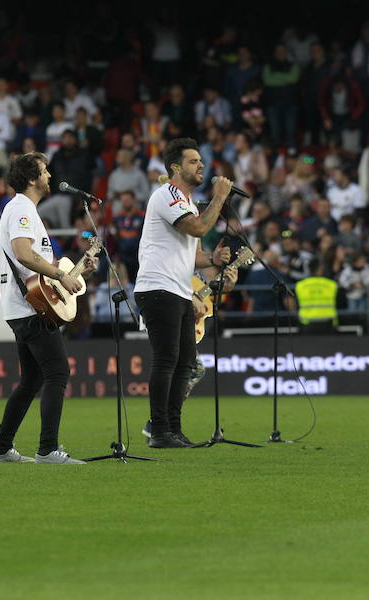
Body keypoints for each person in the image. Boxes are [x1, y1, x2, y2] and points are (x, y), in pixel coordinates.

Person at [0, 151, 98, 465]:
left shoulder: (25, 210)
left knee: (31, 381)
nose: (50, 175)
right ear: (32, 178)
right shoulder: (22, 208)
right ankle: (48, 450)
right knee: (58, 373)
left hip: (25, 306)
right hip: (29, 309)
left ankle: (0, 450)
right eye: (45, 171)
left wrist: (80, 271)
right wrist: (63, 274)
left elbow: (41, 272)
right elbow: (24, 254)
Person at [134, 138, 232, 448]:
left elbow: (193, 256)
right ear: (175, 167)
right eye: (193, 161)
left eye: (201, 160)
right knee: (167, 360)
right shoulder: (167, 195)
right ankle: (160, 430)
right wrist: (219, 198)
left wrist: (214, 260)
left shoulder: (187, 202)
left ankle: (173, 429)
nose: (201, 165)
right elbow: (199, 229)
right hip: (157, 286)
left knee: (186, 362)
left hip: (177, 288)